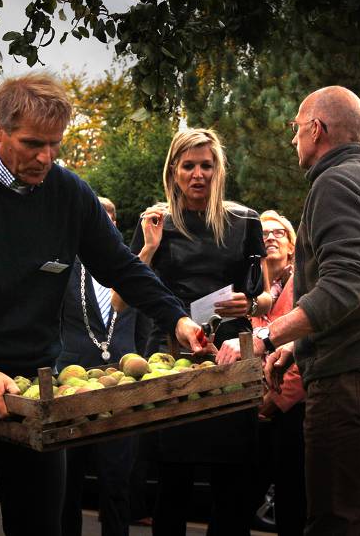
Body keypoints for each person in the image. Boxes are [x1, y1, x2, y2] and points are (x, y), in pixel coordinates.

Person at [0, 72, 204, 536]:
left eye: (55, 145)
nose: (45, 157)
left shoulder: (69, 193)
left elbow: (122, 268)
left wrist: (179, 320)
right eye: (32, 144)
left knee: (41, 525)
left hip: (35, 385)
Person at [219, 85, 360, 535]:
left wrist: (266, 338)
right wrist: (294, 350)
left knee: (335, 519)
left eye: (296, 129)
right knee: (356, 513)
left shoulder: (336, 182)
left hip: (352, 374)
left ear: (317, 129)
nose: (293, 140)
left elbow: (345, 286)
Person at [118, 127, 271, 536]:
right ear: (174, 170)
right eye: (189, 165)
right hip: (171, 357)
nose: (198, 174)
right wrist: (148, 246)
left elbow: (263, 296)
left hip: (229, 356)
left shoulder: (245, 220)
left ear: (219, 169)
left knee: (232, 477)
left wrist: (250, 304)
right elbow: (127, 296)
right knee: (173, 478)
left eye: (207, 165)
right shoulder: (155, 220)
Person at [57, 196, 145, 536]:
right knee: (68, 485)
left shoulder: (130, 269)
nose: (103, 223)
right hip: (73, 388)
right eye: (96, 217)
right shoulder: (66, 267)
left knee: (116, 483)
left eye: (109, 218)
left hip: (123, 390)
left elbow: (144, 328)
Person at [251, 210, 306, 536]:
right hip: (250, 407)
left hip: (291, 408)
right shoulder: (248, 287)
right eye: (263, 234)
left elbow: (308, 341)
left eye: (278, 233)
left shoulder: (303, 282)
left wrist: (277, 398)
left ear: (291, 246)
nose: (270, 237)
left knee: (292, 498)